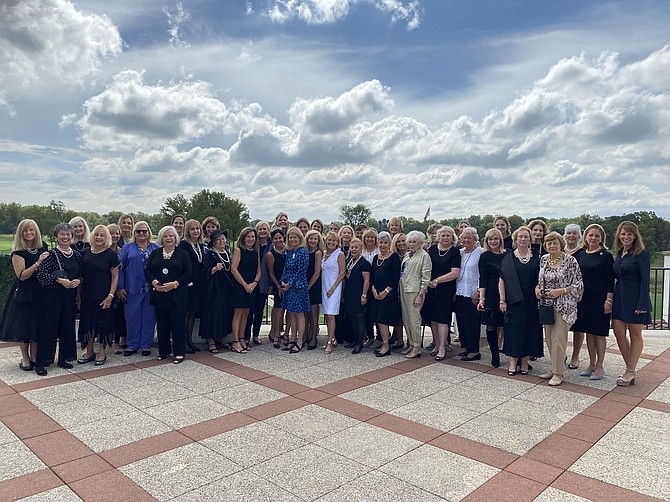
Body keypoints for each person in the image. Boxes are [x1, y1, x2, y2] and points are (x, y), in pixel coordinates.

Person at [534, 232, 584, 386]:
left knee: (559, 339)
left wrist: (561, 291)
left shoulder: (570, 261)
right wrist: (537, 288)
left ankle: (558, 373)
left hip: (564, 305)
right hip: (546, 305)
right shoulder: (544, 259)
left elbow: (578, 285)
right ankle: (554, 367)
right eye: (549, 243)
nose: (552, 246)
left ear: (561, 244)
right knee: (549, 338)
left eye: (555, 243)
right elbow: (540, 280)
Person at [34, 223, 84, 376]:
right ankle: (41, 362)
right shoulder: (50, 254)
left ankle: (63, 358)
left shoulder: (76, 255)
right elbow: (41, 275)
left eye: (68, 234)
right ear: (56, 237)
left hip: (69, 296)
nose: (65, 237)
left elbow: (81, 273)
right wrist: (59, 280)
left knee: (67, 327)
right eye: (62, 234)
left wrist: (78, 281)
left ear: (72, 236)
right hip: (52, 297)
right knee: (49, 328)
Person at [0, 220, 49, 371]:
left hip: (41, 291)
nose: (29, 233)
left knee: (37, 323)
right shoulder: (18, 253)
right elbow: (22, 275)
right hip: (25, 292)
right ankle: (25, 358)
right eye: (25, 231)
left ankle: (34, 356)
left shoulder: (43, 247)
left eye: (32, 230)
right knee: (24, 325)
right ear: (21, 233)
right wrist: (38, 263)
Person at [611, 221, 652, 386]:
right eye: (623, 234)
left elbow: (645, 280)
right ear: (619, 236)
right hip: (620, 297)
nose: (626, 237)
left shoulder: (641, 254)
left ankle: (629, 371)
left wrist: (642, 302)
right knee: (619, 332)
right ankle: (631, 368)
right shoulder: (620, 253)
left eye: (629, 234)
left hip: (635, 298)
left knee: (635, 335)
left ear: (635, 236)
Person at [498, 226, 543, 376]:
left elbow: (542, 278)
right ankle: (513, 361)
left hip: (532, 301)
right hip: (514, 301)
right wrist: (502, 300)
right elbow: (502, 280)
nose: (523, 239)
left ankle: (524, 361)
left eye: (526, 237)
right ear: (515, 239)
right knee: (514, 331)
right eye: (520, 237)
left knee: (529, 330)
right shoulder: (508, 258)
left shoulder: (537, 257)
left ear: (530, 240)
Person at [571, 224, 614, 381]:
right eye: (591, 235)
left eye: (597, 235)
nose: (593, 238)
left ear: (601, 238)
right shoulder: (580, 254)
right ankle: (591, 363)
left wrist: (609, 300)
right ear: (586, 237)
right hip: (583, 300)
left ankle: (600, 366)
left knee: (599, 333)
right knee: (589, 332)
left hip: (600, 300)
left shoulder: (606, 256)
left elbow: (610, 280)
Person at [146, 226, 191, 364]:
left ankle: (179, 353)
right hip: (160, 295)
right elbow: (148, 270)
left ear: (175, 237)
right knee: (162, 324)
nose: (168, 238)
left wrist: (175, 284)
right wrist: (154, 283)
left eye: (171, 236)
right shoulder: (155, 253)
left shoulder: (183, 254)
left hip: (177, 295)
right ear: (161, 238)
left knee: (178, 324)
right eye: (165, 236)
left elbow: (188, 273)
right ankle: (163, 351)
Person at [77, 225, 120, 366]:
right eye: (97, 235)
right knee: (88, 324)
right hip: (87, 295)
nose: (99, 237)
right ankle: (89, 351)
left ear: (106, 237)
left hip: (104, 296)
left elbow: (115, 277)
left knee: (102, 325)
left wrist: (110, 296)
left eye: (102, 235)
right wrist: (78, 296)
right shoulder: (84, 253)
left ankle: (102, 352)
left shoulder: (111, 254)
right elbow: (80, 277)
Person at [117, 221, 159, 357]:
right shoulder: (127, 248)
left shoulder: (156, 248)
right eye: (138, 231)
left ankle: (146, 345)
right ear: (134, 233)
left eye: (144, 231)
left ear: (148, 232)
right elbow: (120, 269)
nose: (141, 233)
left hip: (151, 289)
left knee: (149, 317)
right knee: (131, 317)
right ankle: (133, 344)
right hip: (132, 289)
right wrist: (120, 287)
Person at [424, 226, 460, 360]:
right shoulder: (432, 249)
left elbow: (455, 272)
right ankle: (437, 344)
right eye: (443, 235)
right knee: (433, 318)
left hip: (446, 289)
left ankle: (443, 347)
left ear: (452, 238)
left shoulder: (454, 251)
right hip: (431, 289)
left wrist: (438, 280)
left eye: (448, 236)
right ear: (438, 237)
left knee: (443, 319)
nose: (445, 238)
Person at [398, 231, 431, 359]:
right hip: (404, 289)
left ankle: (417, 346)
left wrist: (421, 294)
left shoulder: (424, 256)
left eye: (414, 242)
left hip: (415, 291)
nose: (411, 244)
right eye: (410, 242)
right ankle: (411, 344)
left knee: (414, 319)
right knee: (407, 318)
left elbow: (426, 277)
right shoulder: (407, 255)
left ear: (421, 243)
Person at [477, 228, 506, 367]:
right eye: (490, 239)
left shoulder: (508, 255)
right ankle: (495, 354)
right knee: (491, 326)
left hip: (506, 293)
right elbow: (482, 278)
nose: (493, 241)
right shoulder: (484, 256)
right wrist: (482, 298)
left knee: (508, 325)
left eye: (495, 238)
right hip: (490, 294)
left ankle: (514, 355)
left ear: (500, 240)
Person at [201, 229, 234, 353]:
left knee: (225, 313)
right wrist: (214, 269)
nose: (221, 241)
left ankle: (223, 338)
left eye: (223, 239)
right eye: (218, 240)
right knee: (213, 313)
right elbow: (203, 272)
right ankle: (211, 341)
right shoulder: (210, 254)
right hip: (214, 289)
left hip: (226, 289)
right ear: (213, 242)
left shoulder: (227, 253)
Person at [455, 227, 484, 362]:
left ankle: (474, 351)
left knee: (472, 321)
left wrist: (478, 291)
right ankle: (466, 347)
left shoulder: (480, 253)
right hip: (460, 291)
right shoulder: (460, 253)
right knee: (462, 321)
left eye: (469, 238)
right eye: (464, 238)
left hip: (473, 292)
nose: (466, 240)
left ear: (475, 239)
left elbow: (482, 274)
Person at [231, 227, 261, 353]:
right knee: (238, 313)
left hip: (251, 287)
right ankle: (235, 341)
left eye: (253, 237)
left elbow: (259, 270)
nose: (251, 239)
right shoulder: (239, 250)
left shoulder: (255, 252)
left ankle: (242, 338)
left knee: (246, 314)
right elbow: (234, 269)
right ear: (243, 238)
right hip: (239, 286)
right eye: (248, 236)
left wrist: (254, 283)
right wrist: (245, 284)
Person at [370, 232, 400, 357]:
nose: (382, 245)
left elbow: (395, 276)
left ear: (389, 244)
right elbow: (372, 276)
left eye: (385, 242)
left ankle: (386, 346)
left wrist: (386, 291)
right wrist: (374, 290)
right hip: (376, 294)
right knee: (378, 320)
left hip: (389, 294)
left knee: (383, 320)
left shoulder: (394, 257)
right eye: (380, 242)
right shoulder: (376, 258)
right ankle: (384, 343)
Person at [280, 227, 310, 352]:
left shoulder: (303, 251)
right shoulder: (290, 251)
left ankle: (299, 341)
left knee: (299, 314)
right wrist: (282, 281)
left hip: (298, 286)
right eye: (290, 237)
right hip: (288, 287)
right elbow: (285, 268)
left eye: (294, 237)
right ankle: (292, 339)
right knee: (291, 313)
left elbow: (301, 271)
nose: (292, 239)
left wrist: (290, 284)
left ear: (299, 238)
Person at [179, 219, 206, 353]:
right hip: (187, 284)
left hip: (198, 285)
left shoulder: (200, 245)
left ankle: (189, 340)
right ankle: (182, 342)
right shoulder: (184, 245)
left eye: (197, 228)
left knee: (193, 313)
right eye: (192, 229)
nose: (195, 231)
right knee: (186, 313)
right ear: (187, 231)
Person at [342, 238, 372, 354]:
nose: (354, 249)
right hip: (349, 293)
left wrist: (364, 295)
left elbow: (366, 281)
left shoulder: (364, 263)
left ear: (361, 249)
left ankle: (360, 343)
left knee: (359, 318)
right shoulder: (350, 260)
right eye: (352, 247)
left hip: (359, 294)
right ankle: (355, 340)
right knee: (352, 317)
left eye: (356, 247)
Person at [245, 221, 272, 346]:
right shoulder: (253, 244)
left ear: (268, 230)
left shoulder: (271, 245)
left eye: (264, 229)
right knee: (249, 310)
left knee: (259, 310)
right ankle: (246, 336)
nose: (262, 231)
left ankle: (255, 335)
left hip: (264, 281)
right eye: (260, 229)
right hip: (251, 281)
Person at [321, 231, 345, 354]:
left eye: (333, 240)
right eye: (329, 240)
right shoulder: (323, 254)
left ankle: (329, 342)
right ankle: (333, 337)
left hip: (334, 287)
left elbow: (342, 273)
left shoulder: (339, 254)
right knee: (326, 314)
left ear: (337, 242)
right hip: (324, 287)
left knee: (331, 315)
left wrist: (333, 288)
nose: (331, 242)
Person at [564, 223, 584, 369]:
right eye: (569, 233)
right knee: (561, 327)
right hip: (561, 296)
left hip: (577, 295)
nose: (571, 236)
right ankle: (561, 353)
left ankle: (575, 356)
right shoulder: (559, 251)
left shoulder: (584, 252)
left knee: (578, 327)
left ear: (579, 236)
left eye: (574, 233)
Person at [108, 224, 128, 354]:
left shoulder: (123, 250)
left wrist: (120, 287)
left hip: (120, 287)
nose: (115, 236)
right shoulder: (102, 250)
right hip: (105, 287)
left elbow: (125, 270)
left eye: (117, 233)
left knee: (120, 315)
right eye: (112, 233)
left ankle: (118, 341)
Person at [266, 228, 287, 348]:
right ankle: (276, 333)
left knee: (288, 310)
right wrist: (278, 285)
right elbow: (271, 273)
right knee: (278, 308)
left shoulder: (289, 251)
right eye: (275, 238)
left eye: (280, 237)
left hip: (289, 284)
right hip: (278, 284)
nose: (278, 240)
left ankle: (285, 333)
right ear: (272, 240)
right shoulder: (270, 254)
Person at [304, 229, 323, 349]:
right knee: (305, 312)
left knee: (313, 312)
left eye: (315, 239)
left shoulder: (318, 252)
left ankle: (313, 338)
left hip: (314, 285)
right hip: (304, 284)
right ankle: (306, 334)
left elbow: (317, 273)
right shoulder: (305, 251)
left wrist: (308, 287)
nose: (313, 241)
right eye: (311, 238)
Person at [390, 232, 408, 349]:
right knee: (397, 315)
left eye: (403, 241)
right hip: (395, 290)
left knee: (408, 316)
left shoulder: (411, 255)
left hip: (408, 290)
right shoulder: (393, 256)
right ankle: (399, 340)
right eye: (398, 242)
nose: (401, 244)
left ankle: (412, 341)